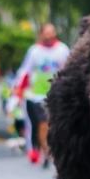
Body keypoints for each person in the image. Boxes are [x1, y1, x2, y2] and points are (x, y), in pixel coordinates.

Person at [14, 23, 70, 168]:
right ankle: (46, 152)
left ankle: (51, 150)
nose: (49, 35)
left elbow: (70, 69)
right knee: (42, 124)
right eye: (46, 33)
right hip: (37, 96)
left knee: (54, 125)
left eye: (52, 32)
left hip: (57, 94)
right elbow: (24, 71)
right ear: (41, 34)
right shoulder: (34, 51)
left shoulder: (62, 50)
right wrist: (17, 90)